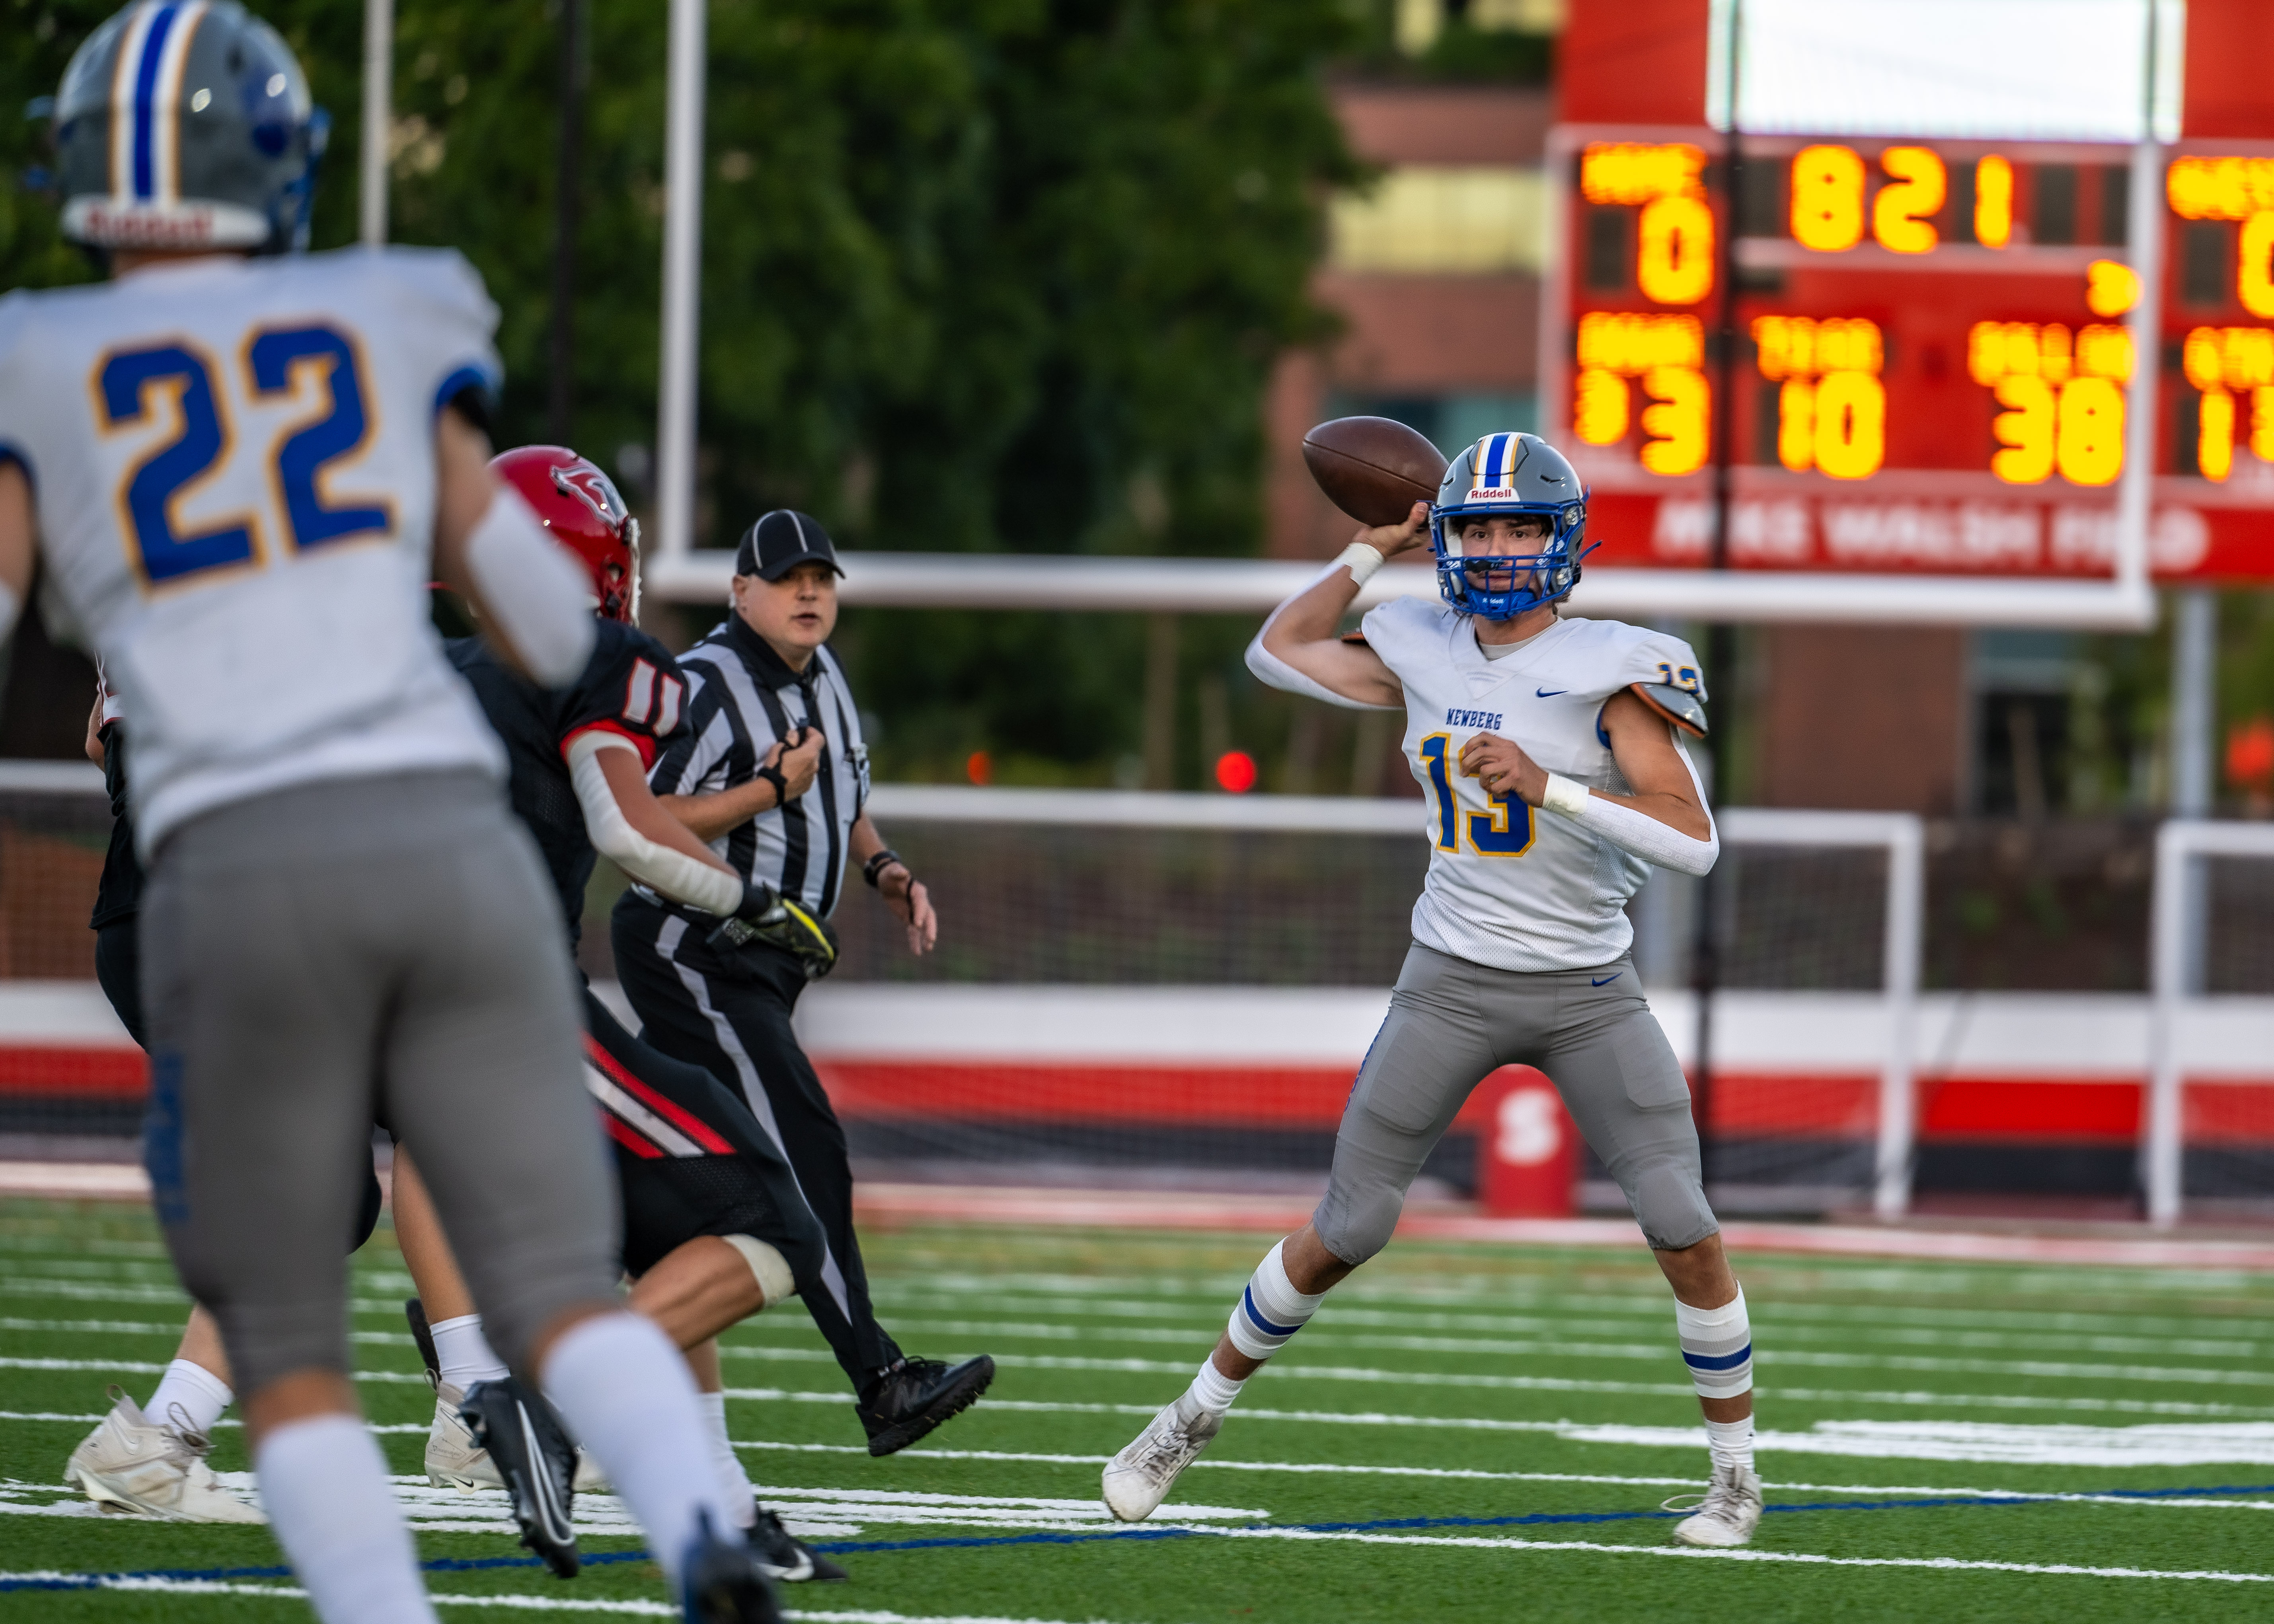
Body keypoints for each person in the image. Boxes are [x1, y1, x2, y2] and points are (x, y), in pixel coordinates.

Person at [0, 7, 787, 1618]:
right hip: (434, 841)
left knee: (291, 1328)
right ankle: (695, 1530)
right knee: (547, 1250)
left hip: (245, 872)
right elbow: (534, 609)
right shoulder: (377, 319)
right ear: (276, 170)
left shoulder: (40, 365)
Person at [1100, 430, 1762, 1549]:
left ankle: (1735, 1478)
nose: (1498, 549)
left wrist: (1549, 787)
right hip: (1448, 978)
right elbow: (1277, 651)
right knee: (1347, 1224)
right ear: (1446, 541)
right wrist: (1369, 549)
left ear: (1564, 543)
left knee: (1681, 1221)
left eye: (1519, 528)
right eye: (1476, 528)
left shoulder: (1616, 662)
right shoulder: (1419, 638)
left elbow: (1692, 840)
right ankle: (1187, 1418)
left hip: (1587, 987)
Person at [392, 444, 845, 1582]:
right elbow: (630, 829)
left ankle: (715, 1502)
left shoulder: (422, 660)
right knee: (775, 1223)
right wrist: (755, 901)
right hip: (502, 1002)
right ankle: (545, 1407)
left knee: (670, 1230)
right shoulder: (594, 656)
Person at [611, 510, 993, 1455]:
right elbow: (643, 816)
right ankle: (879, 1381)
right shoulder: (704, 680)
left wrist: (885, 869)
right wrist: (763, 793)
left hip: (760, 967)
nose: (809, 592)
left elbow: (845, 795)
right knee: (800, 1155)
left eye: (820, 576)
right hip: (694, 948)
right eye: (787, 578)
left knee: (676, 1179)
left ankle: (498, 1320)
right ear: (741, 591)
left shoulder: (824, 677)